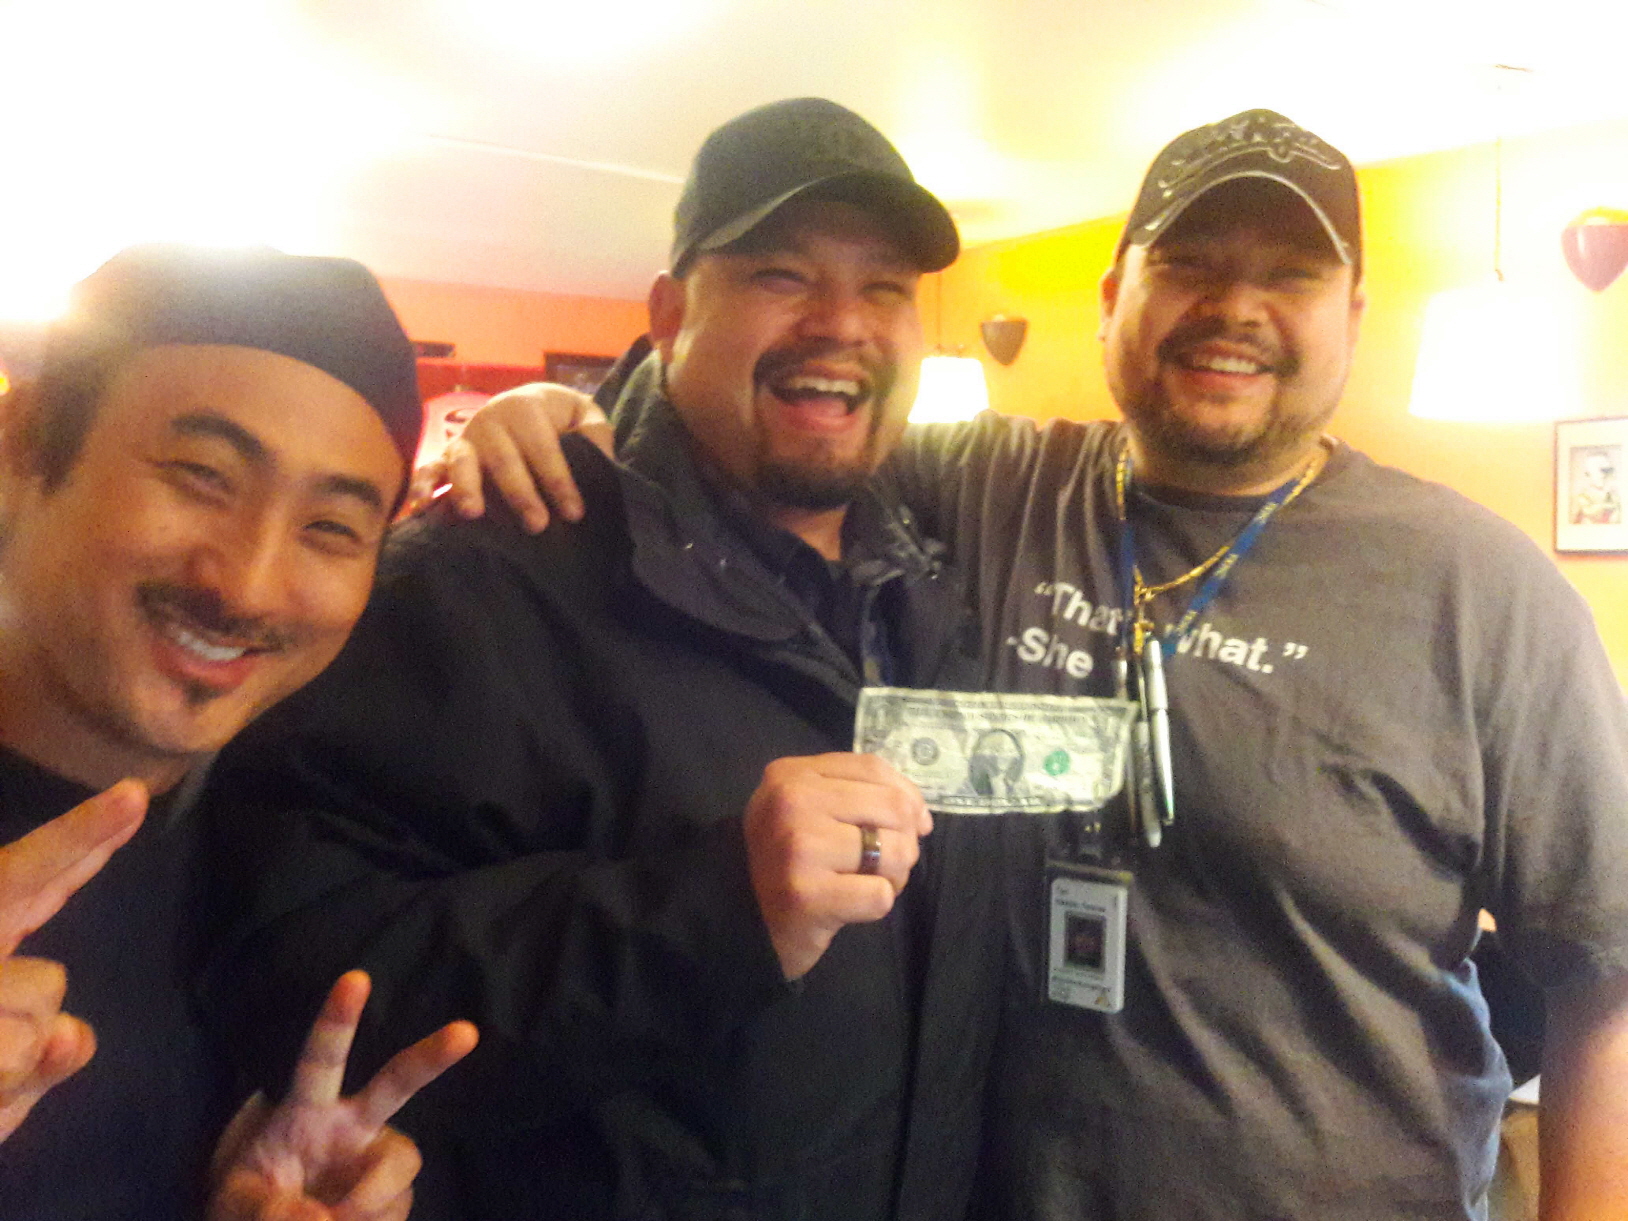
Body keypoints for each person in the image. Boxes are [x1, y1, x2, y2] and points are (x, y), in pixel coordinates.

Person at [441, 109, 1628, 1219]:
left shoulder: (1481, 592)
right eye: (1188, 264)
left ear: (1353, 316)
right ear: (1113, 300)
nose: (1232, 307)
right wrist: (569, 410)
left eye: (1289, 275)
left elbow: (1605, 978)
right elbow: (771, 414)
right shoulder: (983, 489)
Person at [200, 98, 1000, 1221]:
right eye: (780, 275)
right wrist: (709, 914)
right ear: (670, 314)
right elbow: (288, 976)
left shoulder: (944, 572)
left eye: (884, 289)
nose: (841, 324)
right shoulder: (483, 576)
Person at [0, 244, 479, 1219]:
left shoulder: (277, 854)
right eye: (203, 476)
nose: (250, 585)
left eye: (330, 528)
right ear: (22, 449)